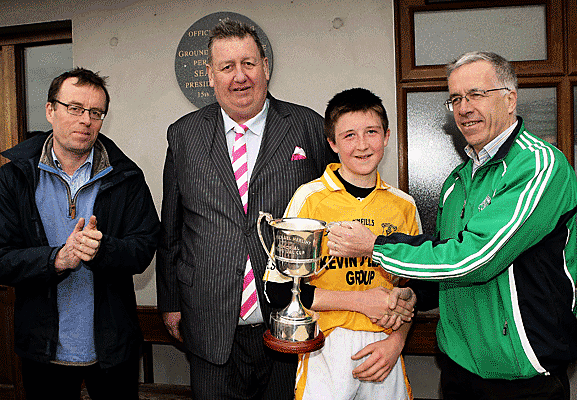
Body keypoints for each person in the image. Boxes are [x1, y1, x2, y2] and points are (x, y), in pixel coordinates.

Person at [156, 20, 414, 399]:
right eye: (226, 67)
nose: (239, 76)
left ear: (265, 66)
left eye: (248, 63)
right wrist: (171, 303)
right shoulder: (183, 134)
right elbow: (172, 228)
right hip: (208, 317)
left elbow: (344, 196)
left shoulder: (306, 126)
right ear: (210, 75)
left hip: (292, 325)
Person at [327, 51, 577, 399]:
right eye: (456, 98)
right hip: (459, 370)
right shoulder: (456, 182)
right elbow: (447, 261)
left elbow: (475, 258)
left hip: (523, 377)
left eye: (476, 94)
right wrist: (414, 293)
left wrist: (376, 246)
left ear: (510, 99)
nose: (464, 108)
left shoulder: (538, 165)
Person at [0, 68, 160, 400]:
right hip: (42, 350)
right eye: (75, 108)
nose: (86, 120)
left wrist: (102, 250)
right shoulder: (14, 178)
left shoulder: (126, 177)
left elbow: (144, 247)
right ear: (51, 110)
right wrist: (57, 259)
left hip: (112, 351)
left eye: (95, 112)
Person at [263, 87, 431, 400]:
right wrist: (361, 301)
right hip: (325, 347)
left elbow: (415, 291)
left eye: (371, 132)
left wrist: (397, 341)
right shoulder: (309, 199)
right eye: (349, 135)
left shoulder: (403, 205)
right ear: (332, 143)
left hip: (385, 347)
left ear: (386, 136)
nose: (363, 144)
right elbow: (279, 289)